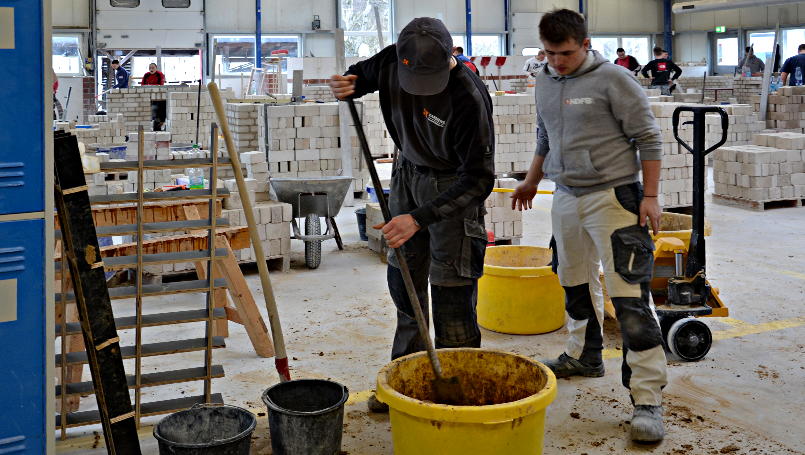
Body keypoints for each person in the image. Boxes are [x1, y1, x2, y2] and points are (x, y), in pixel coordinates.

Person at [510, 8, 667, 443]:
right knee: (573, 280)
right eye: (548, 53)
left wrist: (650, 196)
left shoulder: (615, 80)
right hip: (565, 196)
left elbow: (649, 138)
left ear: (585, 43)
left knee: (630, 297)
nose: (556, 61)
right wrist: (531, 180)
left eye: (564, 53)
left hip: (614, 196)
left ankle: (647, 398)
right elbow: (545, 136)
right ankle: (584, 355)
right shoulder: (543, 78)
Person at [330, 17, 495, 413]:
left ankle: (458, 393)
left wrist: (419, 218)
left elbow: (478, 180)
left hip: (452, 186)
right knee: (404, 281)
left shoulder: (469, 97)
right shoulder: (390, 61)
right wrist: (347, 84)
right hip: (407, 174)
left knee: (451, 293)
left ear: (451, 57)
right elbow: (358, 77)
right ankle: (403, 382)